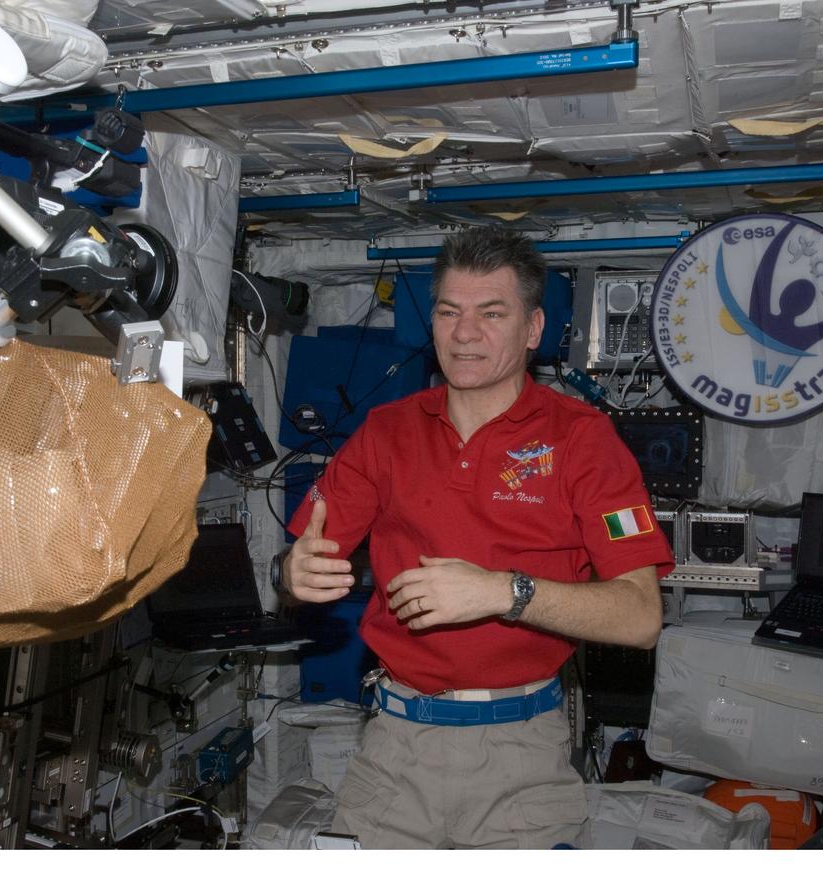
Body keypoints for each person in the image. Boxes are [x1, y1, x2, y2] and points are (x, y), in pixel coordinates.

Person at [281, 225, 675, 849]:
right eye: (449, 312)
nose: (464, 334)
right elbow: (304, 555)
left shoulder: (583, 440)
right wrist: (294, 571)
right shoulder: (386, 432)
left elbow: (640, 617)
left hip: (521, 755)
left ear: (534, 329)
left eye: (492, 313)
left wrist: (502, 592)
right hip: (392, 749)